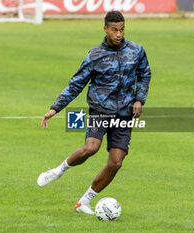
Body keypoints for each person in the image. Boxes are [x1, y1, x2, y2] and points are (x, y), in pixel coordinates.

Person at [37, 11, 151, 215]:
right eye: (114, 30)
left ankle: (83, 202)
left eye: (122, 29)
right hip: (100, 110)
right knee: (92, 148)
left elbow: (144, 74)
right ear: (105, 29)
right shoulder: (95, 55)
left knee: (116, 162)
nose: (119, 34)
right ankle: (57, 170)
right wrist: (55, 108)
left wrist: (139, 99)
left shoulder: (136, 50)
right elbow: (76, 84)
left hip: (124, 114)